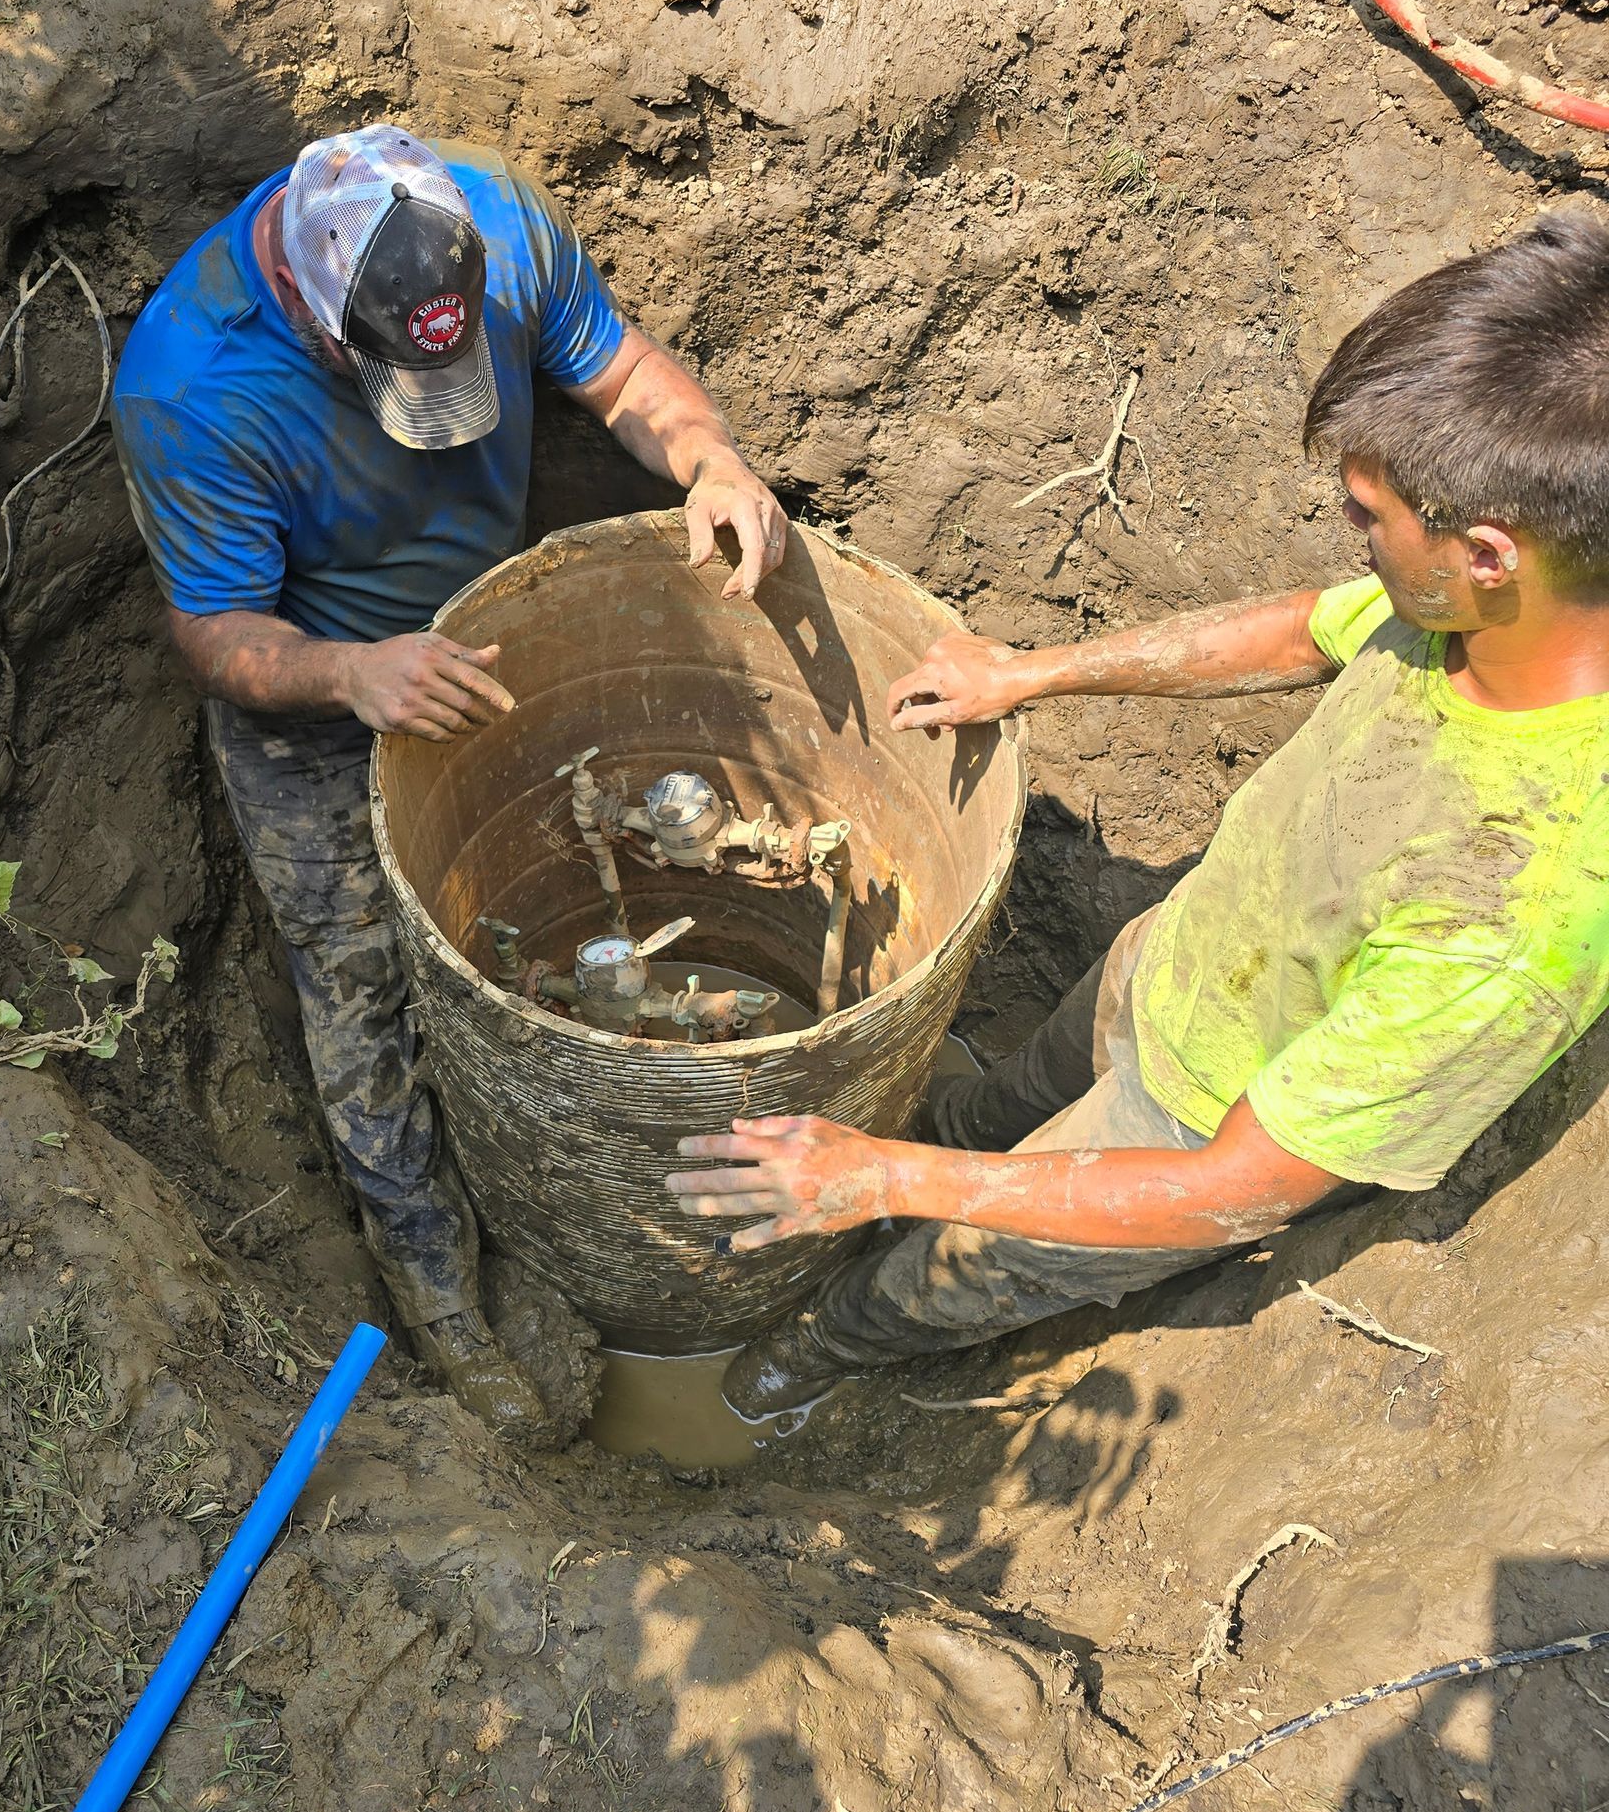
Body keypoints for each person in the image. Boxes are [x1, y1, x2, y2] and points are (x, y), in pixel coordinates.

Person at [669, 208, 1609, 1421]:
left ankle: (790, 1374)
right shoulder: (1478, 606)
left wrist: (876, 1179)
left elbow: (1236, 1186)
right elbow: (1298, 631)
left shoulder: (1518, 916)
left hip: (1184, 1127)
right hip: (1173, 960)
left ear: (1489, 552)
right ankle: (953, 1131)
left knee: (936, 1276)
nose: (1351, 537)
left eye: (1369, 517)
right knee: (996, 1093)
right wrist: (1033, 671)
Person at [115, 123, 788, 1442]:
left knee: (516, 901)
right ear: (318, 316)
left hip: (486, 641)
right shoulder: (194, 389)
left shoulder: (491, 223)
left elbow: (621, 372)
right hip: (316, 698)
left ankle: (536, 1162)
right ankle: (437, 1283)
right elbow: (215, 632)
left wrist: (709, 453)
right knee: (359, 991)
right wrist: (351, 676)